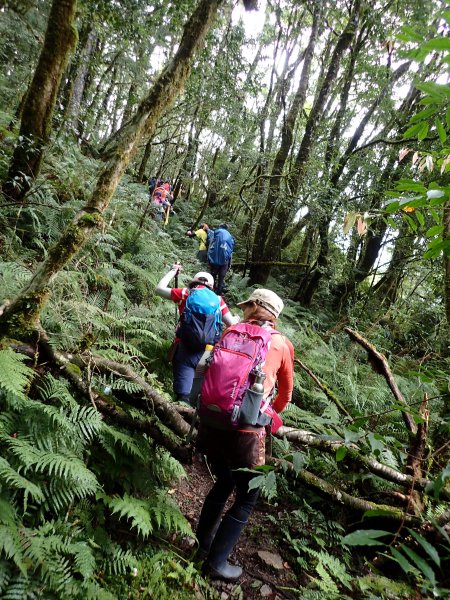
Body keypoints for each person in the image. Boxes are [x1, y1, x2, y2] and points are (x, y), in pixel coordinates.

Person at [195, 289, 294, 581]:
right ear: (274, 315)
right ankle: (216, 563)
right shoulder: (280, 343)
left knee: (224, 481)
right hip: (246, 432)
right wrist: (268, 414)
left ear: (254, 308)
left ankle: (201, 548)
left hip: (212, 420)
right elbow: (285, 393)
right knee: (248, 496)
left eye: (248, 304)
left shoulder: (231, 331)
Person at [155, 265, 239, 403]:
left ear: (194, 281)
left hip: (185, 347)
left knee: (183, 394)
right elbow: (233, 325)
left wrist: (173, 271)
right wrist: (235, 319)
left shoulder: (186, 293)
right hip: (207, 351)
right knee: (199, 390)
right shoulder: (217, 300)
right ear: (211, 286)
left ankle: (181, 410)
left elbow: (159, 289)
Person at [207, 224, 234, 295]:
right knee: (221, 278)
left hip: (214, 259)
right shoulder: (230, 236)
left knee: (213, 276)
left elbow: (210, 244)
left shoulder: (216, 232)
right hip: (225, 261)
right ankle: (219, 294)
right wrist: (229, 264)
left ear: (220, 227)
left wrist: (209, 257)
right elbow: (231, 251)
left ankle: (211, 291)